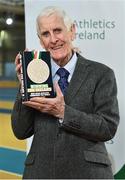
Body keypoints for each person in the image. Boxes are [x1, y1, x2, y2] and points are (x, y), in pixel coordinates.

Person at [11, 6, 120, 179]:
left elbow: (107, 127)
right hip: (41, 172)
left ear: (72, 31)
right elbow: (20, 131)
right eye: (46, 34)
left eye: (57, 30)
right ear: (40, 41)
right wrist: (24, 84)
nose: (53, 39)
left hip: (88, 173)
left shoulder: (102, 73)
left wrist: (63, 112)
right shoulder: (36, 75)